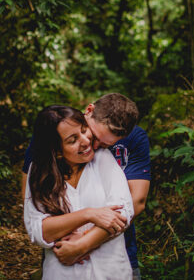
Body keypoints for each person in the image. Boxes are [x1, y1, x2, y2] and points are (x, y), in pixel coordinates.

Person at [22, 93, 151, 279]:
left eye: (84, 131)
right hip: (62, 269)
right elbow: (36, 224)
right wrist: (88, 215)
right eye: (72, 140)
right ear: (56, 150)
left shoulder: (104, 158)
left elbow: (129, 206)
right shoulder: (48, 140)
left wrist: (82, 244)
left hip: (110, 266)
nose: (90, 143)